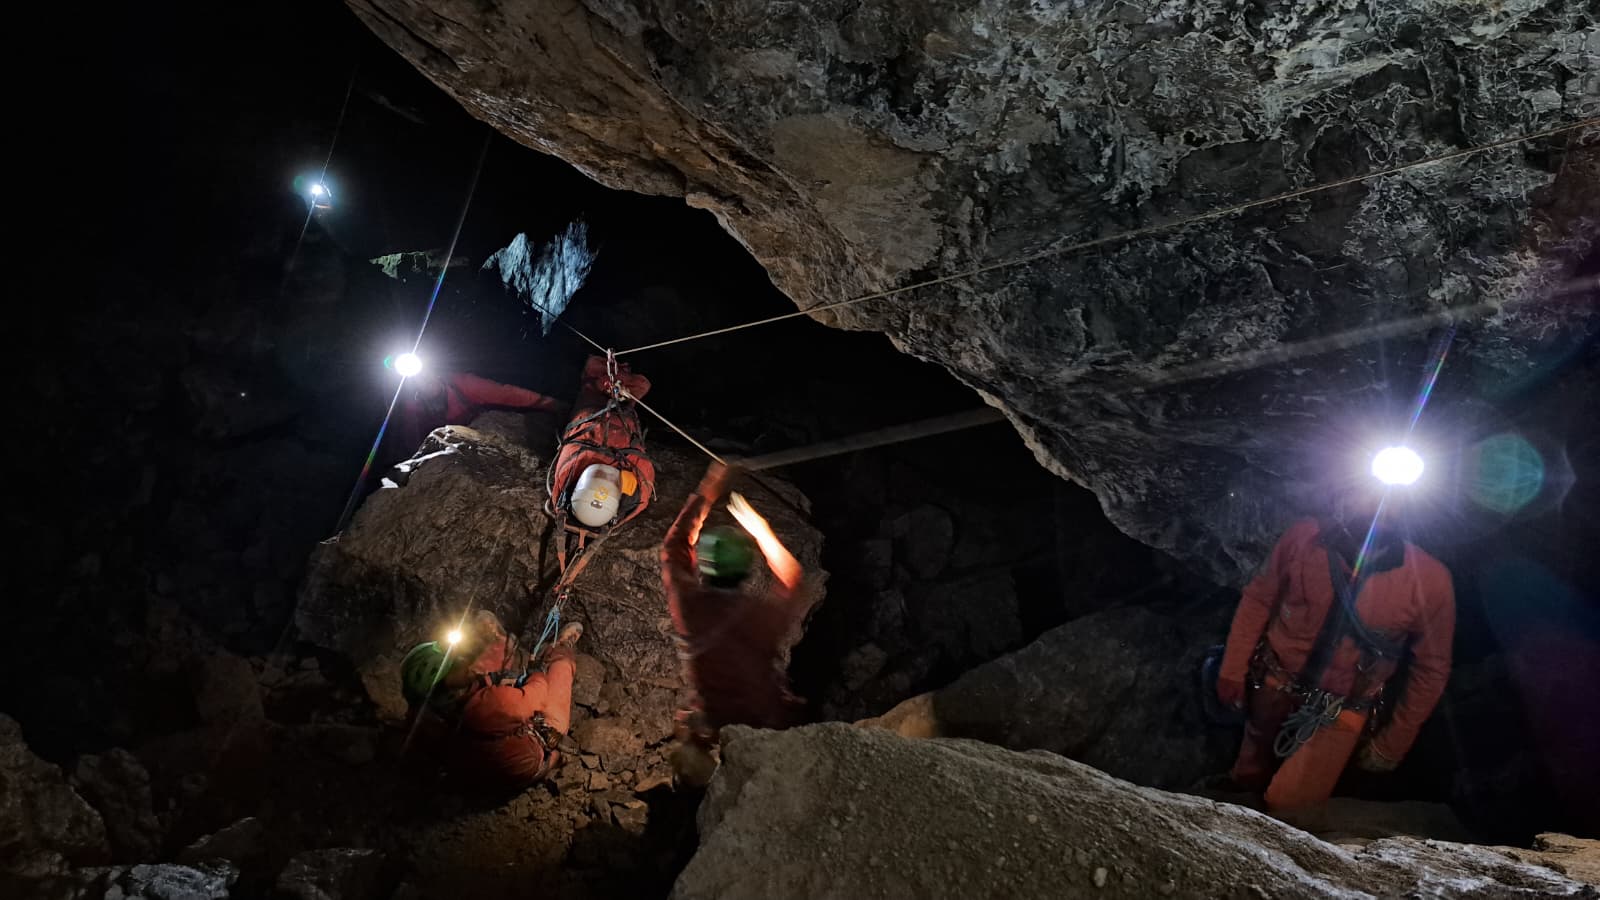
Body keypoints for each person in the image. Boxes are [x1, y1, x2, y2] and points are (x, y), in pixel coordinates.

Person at [1215, 485, 1455, 820]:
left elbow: (1431, 667)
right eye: (1370, 494)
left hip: (1339, 710)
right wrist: (1232, 668)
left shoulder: (1429, 581)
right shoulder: (1303, 539)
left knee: (1288, 807)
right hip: (1273, 682)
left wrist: (1393, 742)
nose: (1381, 508)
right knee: (1250, 766)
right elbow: (1260, 597)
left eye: (1395, 502)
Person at [660, 462, 808, 783]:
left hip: (716, 721)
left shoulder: (690, 605)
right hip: (767, 722)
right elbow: (795, 580)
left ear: (704, 566)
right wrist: (762, 531)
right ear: (748, 569)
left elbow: (674, 546)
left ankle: (700, 786)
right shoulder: (762, 616)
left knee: (690, 731)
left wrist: (710, 485)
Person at [400, 611, 583, 790]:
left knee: (491, 670)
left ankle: (500, 641)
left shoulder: (418, 720)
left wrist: (488, 680)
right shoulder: (489, 705)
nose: (463, 662)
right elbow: (536, 696)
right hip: (529, 755)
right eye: (457, 667)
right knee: (559, 675)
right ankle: (562, 647)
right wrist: (535, 674)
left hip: (476, 764)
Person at [548, 355, 655, 530]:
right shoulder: (629, 468)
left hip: (594, 410)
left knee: (594, 371)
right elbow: (642, 384)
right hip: (617, 413)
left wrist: (607, 384)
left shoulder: (591, 383)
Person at [397, 370, 563, 456]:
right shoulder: (414, 407)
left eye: (426, 377)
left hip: (480, 428)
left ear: (435, 373)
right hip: (448, 446)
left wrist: (548, 403)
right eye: (419, 381)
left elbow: (504, 394)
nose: (425, 382)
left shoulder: (460, 384)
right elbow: (412, 438)